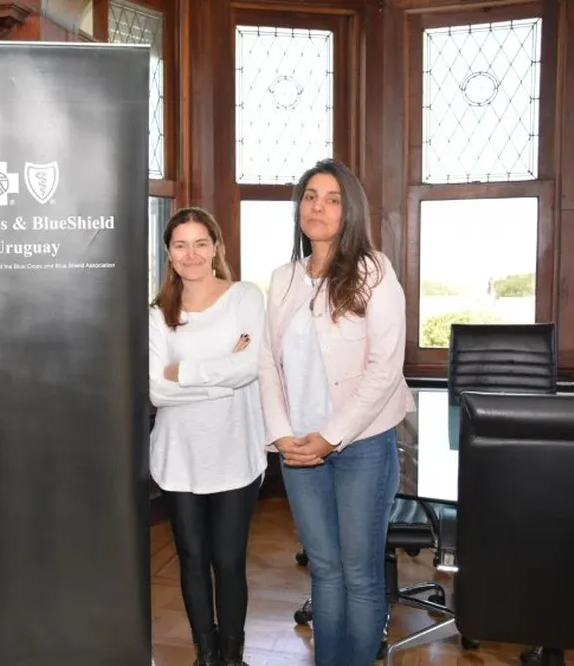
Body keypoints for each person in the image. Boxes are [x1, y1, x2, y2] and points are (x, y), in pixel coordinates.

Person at [256, 158, 414, 666]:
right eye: (309, 197)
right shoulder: (282, 279)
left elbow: (384, 369)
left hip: (362, 445)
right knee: (324, 569)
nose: (317, 207)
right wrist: (283, 436)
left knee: (360, 571)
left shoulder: (373, 271)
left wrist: (331, 436)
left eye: (331, 198)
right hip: (299, 449)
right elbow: (266, 363)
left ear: (350, 212)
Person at [148, 207, 267, 666]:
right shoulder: (158, 313)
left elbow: (251, 366)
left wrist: (186, 373)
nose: (191, 254)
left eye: (201, 243)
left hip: (235, 452)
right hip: (178, 457)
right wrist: (220, 378)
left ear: (217, 247)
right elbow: (156, 387)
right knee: (193, 560)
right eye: (180, 245)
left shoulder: (244, 297)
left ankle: (233, 657)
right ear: (169, 254)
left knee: (229, 562)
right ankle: (207, 654)